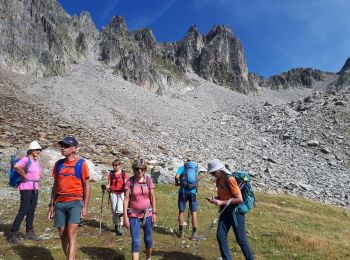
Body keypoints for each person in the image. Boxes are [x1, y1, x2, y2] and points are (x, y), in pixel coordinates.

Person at [47, 136, 90, 260]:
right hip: (60, 203)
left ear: (74, 148)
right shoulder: (58, 164)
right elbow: (55, 185)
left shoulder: (81, 163)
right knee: (62, 234)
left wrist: (85, 206)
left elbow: (87, 185)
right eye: (62, 145)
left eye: (66, 146)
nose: (62, 148)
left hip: (75, 202)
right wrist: (51, 205)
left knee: (71, 233)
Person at [207, 159, 254, 260]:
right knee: (220, 236)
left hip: (235, 212)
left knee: (241, 240)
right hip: (225, 211)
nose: (212, 174)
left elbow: (239, 199)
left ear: (220, 170)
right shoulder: (218, 180)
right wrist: (216, 199)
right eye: (211, 173)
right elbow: (223, 196)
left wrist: (221, 202)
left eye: (213, 172)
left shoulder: (230, 179)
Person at [8, 141, 43, 244]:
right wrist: (23, 174)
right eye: (37, 149)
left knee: (31, 210)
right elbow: (16, 166)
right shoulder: (25, 159)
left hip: (35, 187)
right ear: (31, 150)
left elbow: (39, 171)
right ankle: (13, 234)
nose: (38, 151)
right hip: (26, 187)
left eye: (39, 150)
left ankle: (30, 232)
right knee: (24, 209)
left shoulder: (36, 161)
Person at [123, 159, 156, 260]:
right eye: (137, 169)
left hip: (148, 213)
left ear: (145, 169)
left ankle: (148, 258)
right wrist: (125, 217)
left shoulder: (149, 180)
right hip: (133, 215)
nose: (140, 171)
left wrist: (154, 213)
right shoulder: (130, 182)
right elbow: (126, 200)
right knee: (136, 241)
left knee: (148, 239)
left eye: (142, 169)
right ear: (134, 169)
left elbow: (152, 197)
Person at [174, 157, 199, 239]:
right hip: (193, 192)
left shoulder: (182, 168)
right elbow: (197, 179)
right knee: (193, 212)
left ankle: (181, 233)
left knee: (181, 211)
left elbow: (177, 176)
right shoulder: (195, 168)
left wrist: (177, 183)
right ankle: (194, 234)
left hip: (183, 192)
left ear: (186, 161)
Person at [105, 159, 128, 235]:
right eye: (113, 165)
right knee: (114, 211)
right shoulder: (111, 174)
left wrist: (127, 190)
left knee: (120, 210)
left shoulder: (124, 173)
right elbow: (109, 184)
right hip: (113, 193)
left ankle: (120, 226)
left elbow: (126, 183)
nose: (114, 167)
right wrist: (106, 187)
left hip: (121, 193)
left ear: (119, 165)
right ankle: (115, 225)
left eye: (116, 165)